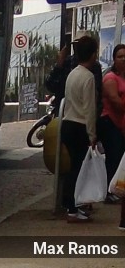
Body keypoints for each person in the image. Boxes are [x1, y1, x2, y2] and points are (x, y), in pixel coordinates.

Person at [60, 35, 99, 223]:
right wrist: (92, 134)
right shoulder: (89, 77)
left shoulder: (72, 74)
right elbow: (89, 109)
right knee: (78, 168)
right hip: (80, 126)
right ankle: (73, 208)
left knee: (73, 167)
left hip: (67, 124)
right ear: (93, 55)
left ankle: (71, 205)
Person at [99, 44, 125, 205]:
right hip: (110, 123)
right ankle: (109, 191)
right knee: (113, 157)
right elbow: (116, 103)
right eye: (120, 56)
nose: (123, 59)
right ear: (114, 59)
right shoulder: (110, 78)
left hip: (122, 124)